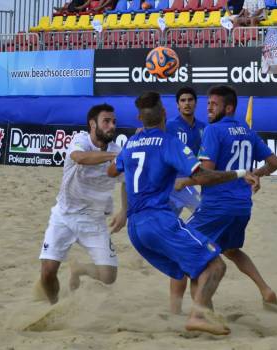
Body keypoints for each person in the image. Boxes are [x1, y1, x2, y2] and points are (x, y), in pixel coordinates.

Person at [107, 91, 260, 335]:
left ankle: (196, 313)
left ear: (139, 118)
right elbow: (202, 176)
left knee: (196, 266)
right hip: (159, 221)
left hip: (136, 230)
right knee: (216, 266)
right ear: (165, 113)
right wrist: (240, 173)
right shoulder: (169, 141)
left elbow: (112, 172)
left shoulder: (131, 143)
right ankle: (197, 316)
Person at [170, 85, 277, 315]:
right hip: (242, 207)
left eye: (214, 104)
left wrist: (186, 182)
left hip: (216, 206)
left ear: (229, 107)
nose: (209, 108)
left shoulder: (213, 131)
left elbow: (207, 175)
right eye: (208, 103)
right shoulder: (246, 130)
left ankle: (179, 313)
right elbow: (275, 162)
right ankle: (266, 290)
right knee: (231, 251)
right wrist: (254, 175)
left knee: (181, 250)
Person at [38, 104, 127, 305]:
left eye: (114, 122)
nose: (112, 126)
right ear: (92, 124)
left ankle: (79, 269)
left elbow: (126, 182)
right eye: (106, 121)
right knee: (48, 272)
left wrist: (124, 211)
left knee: (109, 276)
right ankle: (54, 306)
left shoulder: (117, 150)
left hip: (94, 221)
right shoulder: (80, 141)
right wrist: (116, 157)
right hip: (64, 216)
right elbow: (80, 158)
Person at [165, 87, 206, 216]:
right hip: (173, 180)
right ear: (178, 105)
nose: (187, 103)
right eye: (183, 100)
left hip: (189, 180)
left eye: (190, 100)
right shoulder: (169, 126)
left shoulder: (203, 127)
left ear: (195, 103)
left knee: (170, 222)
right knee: (203, 211)